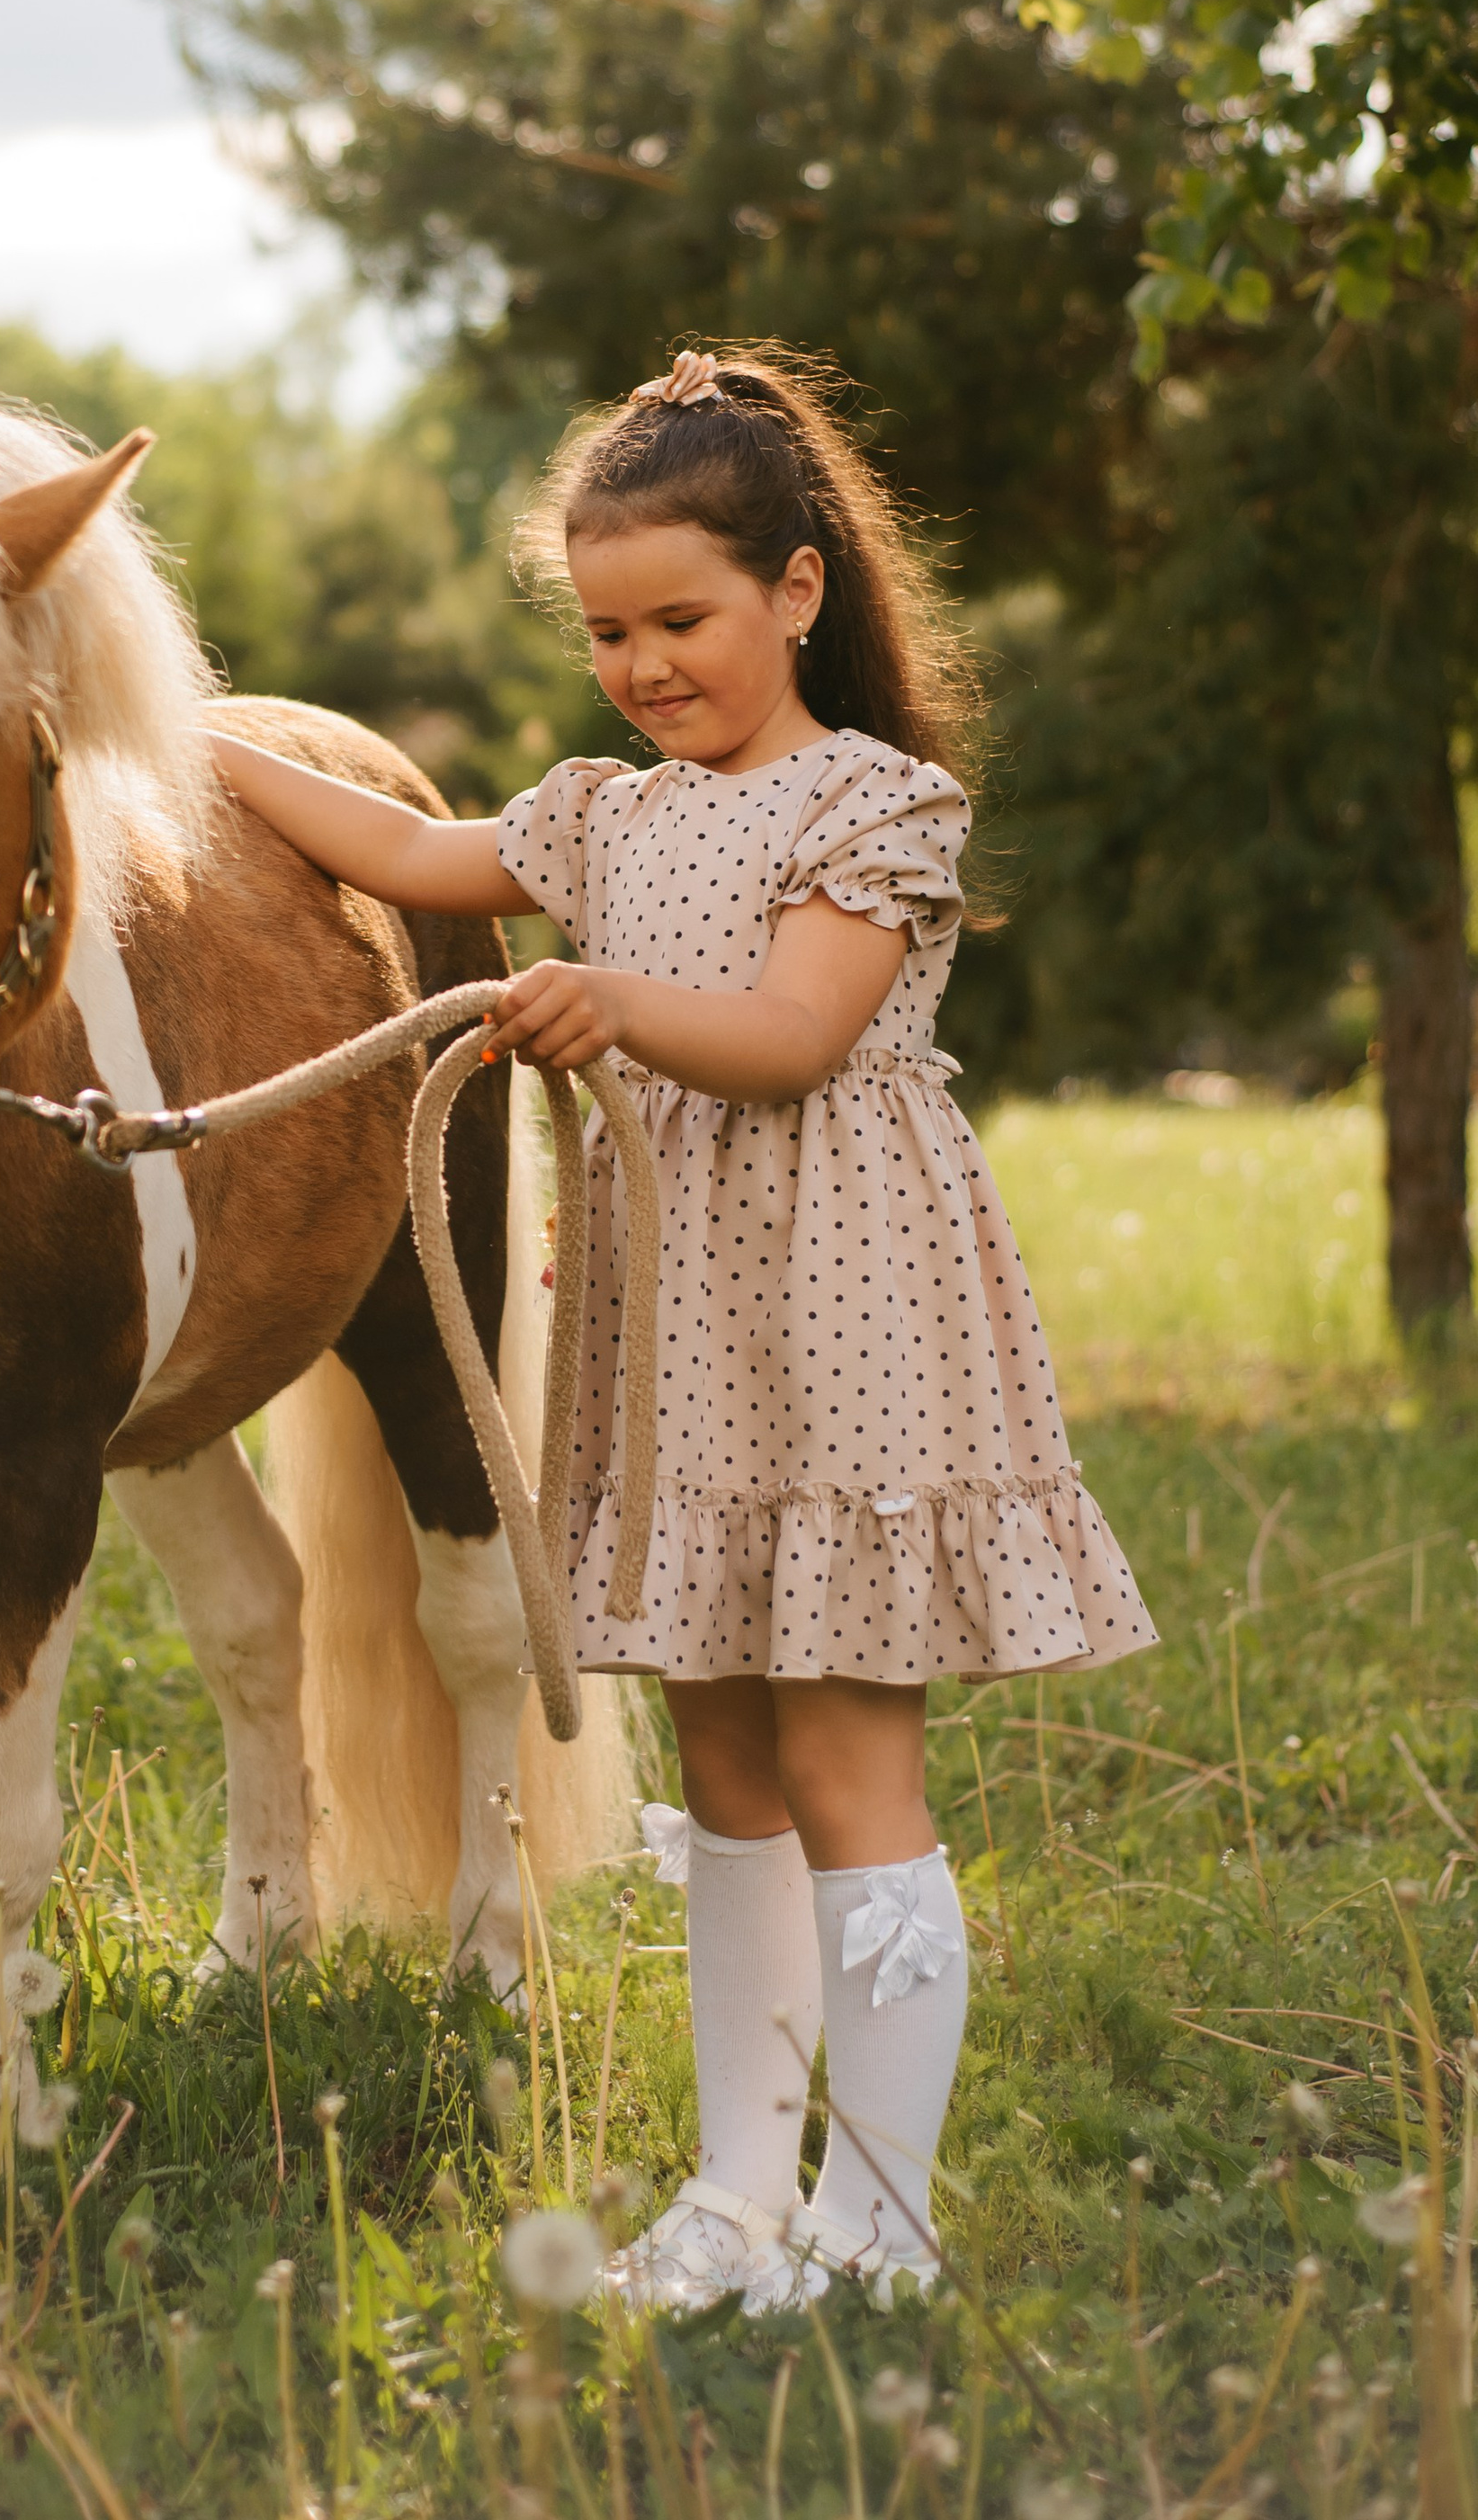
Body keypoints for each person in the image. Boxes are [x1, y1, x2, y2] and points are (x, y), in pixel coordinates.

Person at [209, 344, 1157, 2312]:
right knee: (718, 1759)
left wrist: (613, 1008)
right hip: (685, 1338)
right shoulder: (597, 818)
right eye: (604, 628)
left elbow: (797, 1038)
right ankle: (740, 2193)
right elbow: (398, 853)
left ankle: (878, 2220)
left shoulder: (872, 806)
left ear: (794, 591)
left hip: (843, 1325)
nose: (639, 663)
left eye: (678, 619)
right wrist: (169, 736)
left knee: (837, 1757)